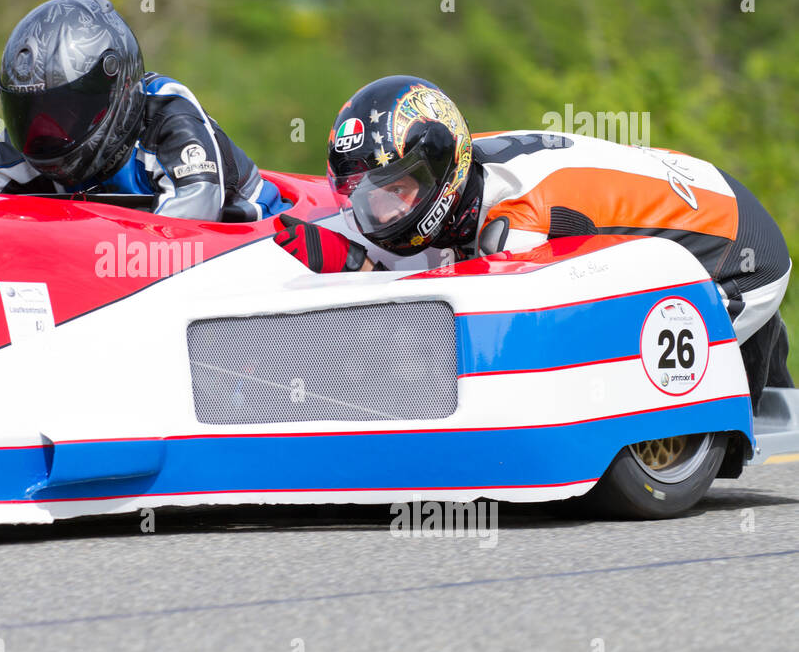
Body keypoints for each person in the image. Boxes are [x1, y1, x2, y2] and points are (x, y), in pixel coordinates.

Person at [272, 74, 792, 409]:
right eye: (363, 195)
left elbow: (477, 350)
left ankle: (743, 359)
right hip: (694, 191)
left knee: (599, 370)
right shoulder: (466, 173)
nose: (378, 212)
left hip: (736, 253)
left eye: (396, 191)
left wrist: (366, 276)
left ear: (438, 170)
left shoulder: (514, 218)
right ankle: (765, 345)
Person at [0, 0, 288, 222]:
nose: (45, 131)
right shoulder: (24, 147)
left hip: (257, 249)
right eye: (30, 112)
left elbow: (189, 227)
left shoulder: (168, 112)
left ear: (115, 90)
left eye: (65, 113)